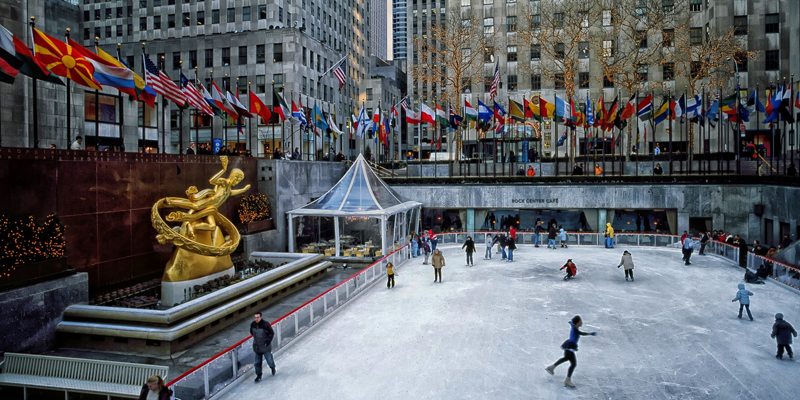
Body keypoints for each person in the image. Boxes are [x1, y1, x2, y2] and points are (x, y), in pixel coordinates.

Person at [545, 315, 597, 388]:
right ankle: (567, 380)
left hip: (569, 345)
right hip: (570, 346)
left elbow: (573, 325)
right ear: (577, 323)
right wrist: (590, 333)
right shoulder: (575, 329)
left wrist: (571, 323)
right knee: (573, 363)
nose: (581, 322)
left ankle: (552, 367)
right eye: (580, 321)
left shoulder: (574, 327)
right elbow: (581, 333)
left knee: (566, 358)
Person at [250, 312, 276, 382]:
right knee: (257, 362)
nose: (256, 319)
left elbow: (271, 333)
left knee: (269, 360)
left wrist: (267, 341)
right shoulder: (253, 324)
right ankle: (259, 375)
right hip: (257, 347)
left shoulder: (265, 324)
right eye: (255, 317)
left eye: (257, 317)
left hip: (265, 347)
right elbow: (252, 332)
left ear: (261, 317)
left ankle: (272, 367)